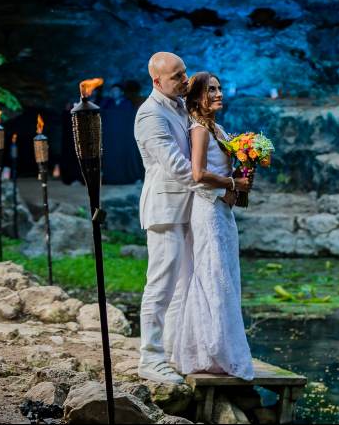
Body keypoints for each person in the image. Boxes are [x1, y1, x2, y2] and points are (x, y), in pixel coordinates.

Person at [134, 52, 250, 384]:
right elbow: (179, 166)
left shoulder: (182, 108)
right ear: (157, 82)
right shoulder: (149, 115)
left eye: (185, 73)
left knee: (185, 284)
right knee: (161, 282)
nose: (185, 81)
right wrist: (224, 187)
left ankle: (174, 350)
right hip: (166, 209)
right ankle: (150, 356)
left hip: (194, 208)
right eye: (177, 77)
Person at [172, 72, 254, 379]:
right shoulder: (199, 130)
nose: (219, 94)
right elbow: (197, 174)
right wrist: (234, 181)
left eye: (219, 88)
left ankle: (217, 348)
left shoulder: (216, 127)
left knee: (225, 275)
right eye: (212, 90)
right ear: (196, 98)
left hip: (222, 209)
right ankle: (211, 352)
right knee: (211, 275)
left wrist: (247, 164)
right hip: (207, 210)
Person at [100, 83, 145, 184]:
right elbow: (101, 111)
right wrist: (106, 99)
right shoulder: (108, 103)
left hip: (123, 137)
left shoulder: (127, 103)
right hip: (111, 137)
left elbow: (129, 118)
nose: (114, 92)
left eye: (116, 90)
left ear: (121, 92)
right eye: (112, 91)